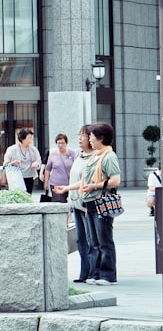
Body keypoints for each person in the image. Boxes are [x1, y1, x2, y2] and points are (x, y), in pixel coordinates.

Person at [54, 122, 121, 286]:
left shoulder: (109, 156)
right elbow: (85, 181)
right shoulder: (95, 156)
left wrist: (95, 186)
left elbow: (115, 180)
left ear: (101, 138)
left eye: (91, 136)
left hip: (100, 202)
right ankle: (97, 273)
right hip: (89, 202)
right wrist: (68, 188)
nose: (89, 139)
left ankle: (108, 275)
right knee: (95, 241)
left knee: (105, 241)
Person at [66, 126, 95, 283]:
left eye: (82, 136)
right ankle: (84, 272)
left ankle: (92, 272)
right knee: (80, 240)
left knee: (90, 240)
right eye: (79, 135)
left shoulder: (94, 157)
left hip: (86, 205)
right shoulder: (79, 155)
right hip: (75, 203)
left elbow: (88, 182)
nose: (79, 138)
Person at [3, 128, 42, 193]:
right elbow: (5, 164)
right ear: (22, 139)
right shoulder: (12, 149)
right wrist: (12, 163)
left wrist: (36, 164)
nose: (30, 140)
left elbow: (39, 161)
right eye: (29, 138)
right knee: (18, 196)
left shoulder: (33, 149)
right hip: (16, 177)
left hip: (29, 176)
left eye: (31, 138)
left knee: (28, 195)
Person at [42, 133, 75, 203]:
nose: (60, 145)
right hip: (56, 184)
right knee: (59, 203)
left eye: (62, 143)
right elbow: (47, 169)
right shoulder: (53, 155)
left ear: (66, 143)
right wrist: (46, 182)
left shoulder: (72, 154)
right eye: (58, 143)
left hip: (70, 184)